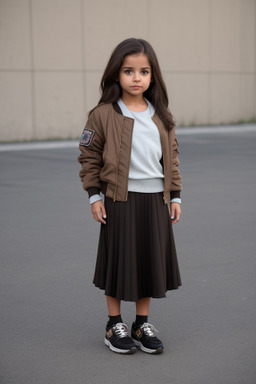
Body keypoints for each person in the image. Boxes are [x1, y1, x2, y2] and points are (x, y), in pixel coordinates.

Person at [78, 38, 182, 355]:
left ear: (153, 77)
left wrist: (175, 196)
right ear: (116, 74)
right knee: (118, 263)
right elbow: (89, 156)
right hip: (119, 199)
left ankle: (141, 323)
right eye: (128, 71)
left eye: (144, 71)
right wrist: (94, 196)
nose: (136, 78)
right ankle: (114, 324)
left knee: (148, 262)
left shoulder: (161, 116)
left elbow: (172, 158)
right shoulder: (103, 114)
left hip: (155, 201)